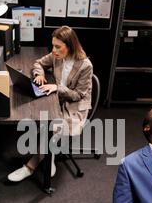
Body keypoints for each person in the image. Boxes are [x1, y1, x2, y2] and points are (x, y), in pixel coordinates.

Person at [8, 26, 93, 182]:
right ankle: (50, 154)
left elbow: (77, 95)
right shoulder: (56, 55)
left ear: (70, 46)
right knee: (41, 119)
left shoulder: (85, 65)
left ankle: (29, 167)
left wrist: (57, 87)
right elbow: (38, 63)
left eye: (58, 46)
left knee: (51, 129)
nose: (53, 50)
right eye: (53, 45)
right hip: (57, 99)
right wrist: (39, 74)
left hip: (74, 107)